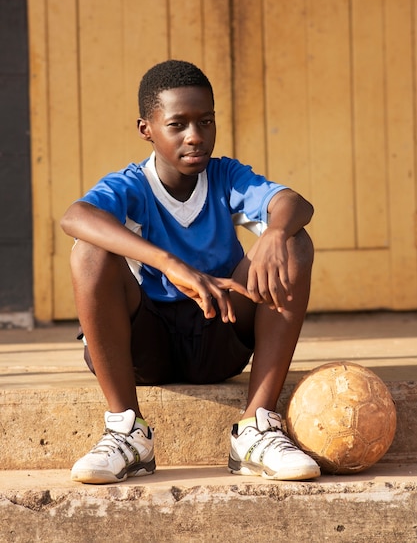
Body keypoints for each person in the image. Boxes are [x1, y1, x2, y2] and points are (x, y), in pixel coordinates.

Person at [61, 59, 320, 485]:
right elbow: (75, 216)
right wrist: (170, 264)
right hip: (146, 349)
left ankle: (257, 428)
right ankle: (127, 433)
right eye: (177, 125)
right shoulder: (131, 185)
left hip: (219, 333)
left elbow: (294, 203)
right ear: (147, 129)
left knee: (295, 241)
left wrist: (275, 231)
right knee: (90, 251)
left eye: (206, 122)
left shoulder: (224, 176)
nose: (195, 136)